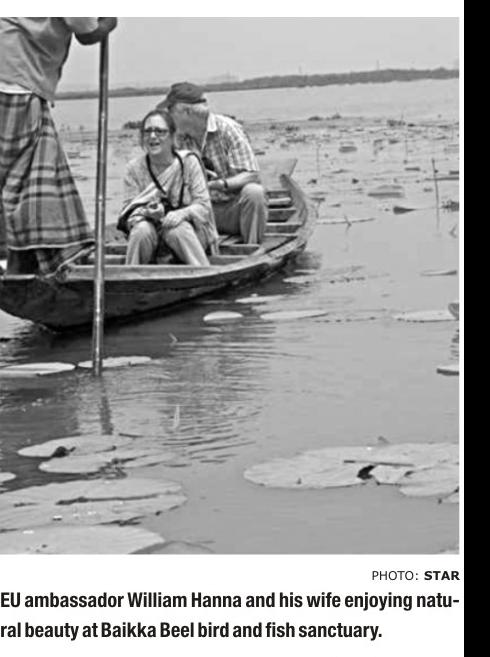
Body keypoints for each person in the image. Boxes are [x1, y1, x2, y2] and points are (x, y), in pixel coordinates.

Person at [0, 17, 117, 276]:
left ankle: (19, 266)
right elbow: (87, 31)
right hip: (16, 84)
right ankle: (21, 268)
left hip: (15, 79)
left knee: (18, 182)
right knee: (27, 183)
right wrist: (109, 22)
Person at [158, 82, 267, 245]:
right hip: (197, 212)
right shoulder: (175, 138)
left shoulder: (227, 129)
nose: (168, 117)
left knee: (254, 193)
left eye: (170, 111)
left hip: (231, 210)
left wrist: (220, 184)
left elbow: (252, 175)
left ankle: (252, 248)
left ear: (186, 112)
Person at [118, 108, 217, 266]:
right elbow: (128, 213)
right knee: (141, 230)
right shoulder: (134, 168)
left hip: (191, 234)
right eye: (147, 131)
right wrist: (149, 213)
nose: (152, 136)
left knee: (177, 229)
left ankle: (202, 272)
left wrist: (182, 214)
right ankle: (131, 275)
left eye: (160, 131)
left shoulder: (189, 162)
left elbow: (204, 207)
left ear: (172, 136)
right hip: (152, 234)